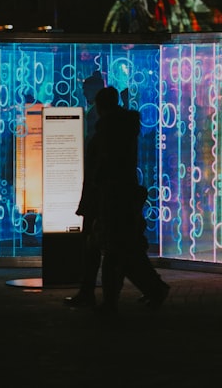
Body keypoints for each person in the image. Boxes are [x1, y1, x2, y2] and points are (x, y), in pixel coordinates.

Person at [65, 86, 169, 316]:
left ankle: (113, 297)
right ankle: (148, 289)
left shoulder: (108, 129)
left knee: (114, 250)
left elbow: (102, 164)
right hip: (113, 196)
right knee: (119, 248)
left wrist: (96, 186)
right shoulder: (123, 128)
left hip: (107, 198)